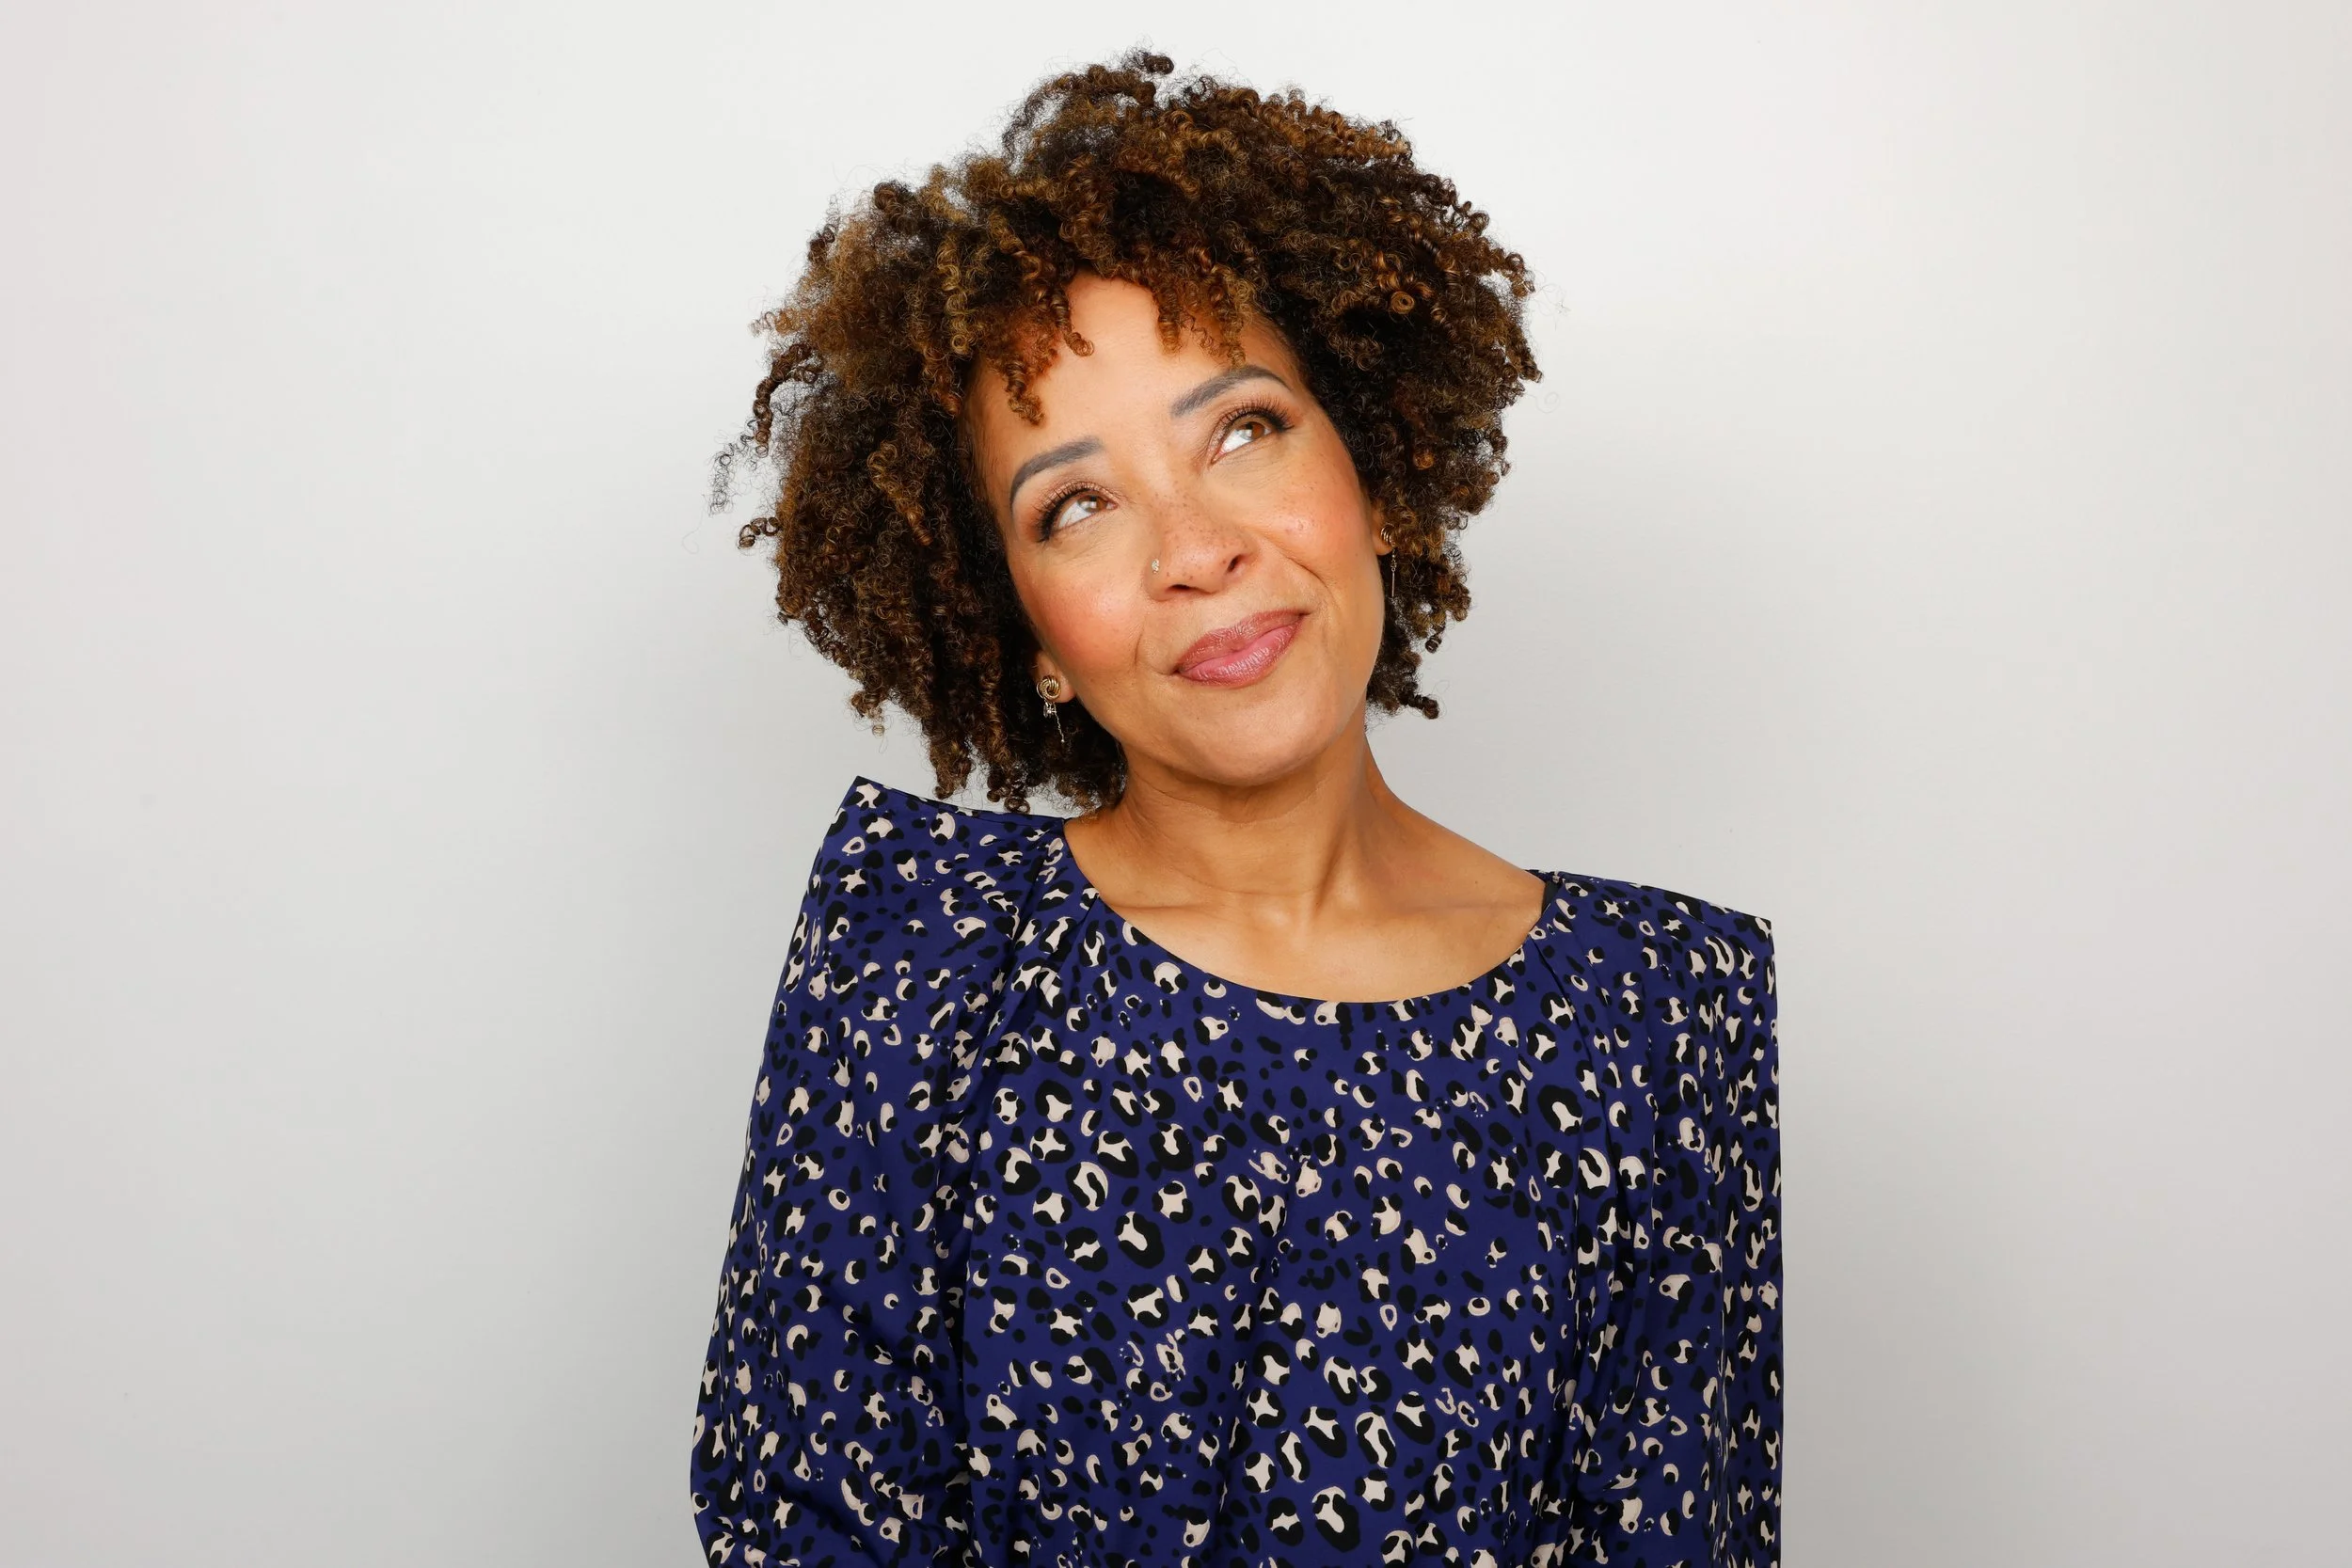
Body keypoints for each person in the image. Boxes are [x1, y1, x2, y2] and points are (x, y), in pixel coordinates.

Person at [691, 52, 1779, 1568]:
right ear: (1024, 632)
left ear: (1378, 468)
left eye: (1244, 429)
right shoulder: (917, 954)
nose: (1192, 549)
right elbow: (802, 1528)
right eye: (1078, 505)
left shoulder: (1656, 1015)